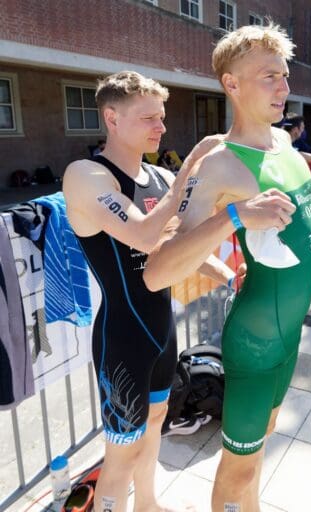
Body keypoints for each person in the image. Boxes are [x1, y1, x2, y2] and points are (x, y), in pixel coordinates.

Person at [142, 24, 311, 511]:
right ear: (231, 84)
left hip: (289, 334)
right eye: (269, 76)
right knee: (240, 468)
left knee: (262, 449)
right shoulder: (220, 165)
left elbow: (294, 232)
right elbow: (158, 271)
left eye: (285, 75)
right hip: (254, 344)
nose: (285, 87)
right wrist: (235, 216)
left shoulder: (282, 144)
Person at [62, 71, 231, 512]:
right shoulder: (87, 175)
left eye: (162, 117)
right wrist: (190, 169)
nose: (161, 127)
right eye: (148, 118)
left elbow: (174, 248)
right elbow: (142, 235)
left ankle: (149, 504)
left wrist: (230, 275)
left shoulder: (158, 176)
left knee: (156, 423)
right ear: (111, 118)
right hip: (123, 337)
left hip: (162, 329)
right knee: (121, 451)